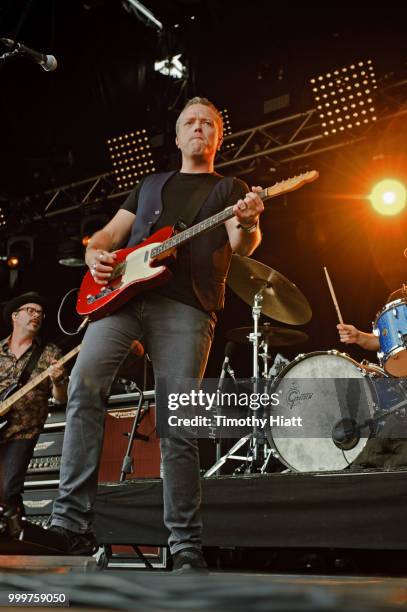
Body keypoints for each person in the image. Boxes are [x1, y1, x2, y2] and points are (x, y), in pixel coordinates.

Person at [50, 97, 265, 571]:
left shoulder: (230, 187)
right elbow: (107, 237)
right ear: (176, 134)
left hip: (186, 305)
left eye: (208, 124)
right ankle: (70, 524)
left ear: (218, 137)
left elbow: (241, 244)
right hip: (122, 300)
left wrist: (248, 221)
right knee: (83, 388)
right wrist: (95, 258)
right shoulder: (149, 185)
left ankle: (185, 542)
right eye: (190, 122)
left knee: (177, 421)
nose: (198, 129)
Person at [0, 291, 68, 513]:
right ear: (15, 316)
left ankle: (16, 541)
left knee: (9, 490)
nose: (36, 315)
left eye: (40, 313)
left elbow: (61, 398)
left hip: (23, 432)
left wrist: (58, 381)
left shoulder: (50, 353)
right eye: (30, 310)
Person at [337, 288, 407, 469]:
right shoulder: (398, 297)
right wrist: (359, 336)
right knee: (364, 463)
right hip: (402, 403)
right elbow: (388, 340)